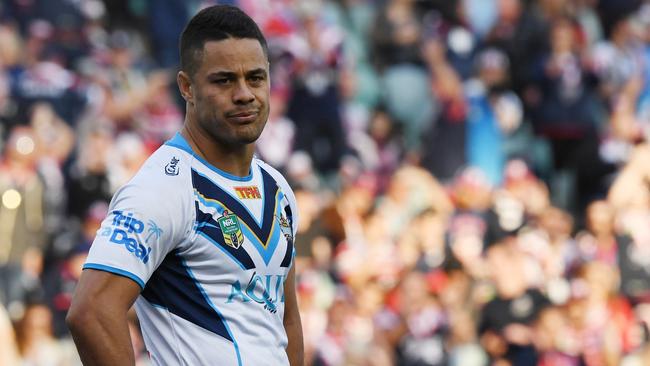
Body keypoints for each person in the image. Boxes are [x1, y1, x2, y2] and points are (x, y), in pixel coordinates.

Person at [66, 5, 304, 366]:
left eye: (255, 78)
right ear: (186, 87)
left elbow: (285, 319)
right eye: (224, 80)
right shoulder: (162, 187)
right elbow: (91, 312)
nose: (244, 94)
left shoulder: (277, 187)